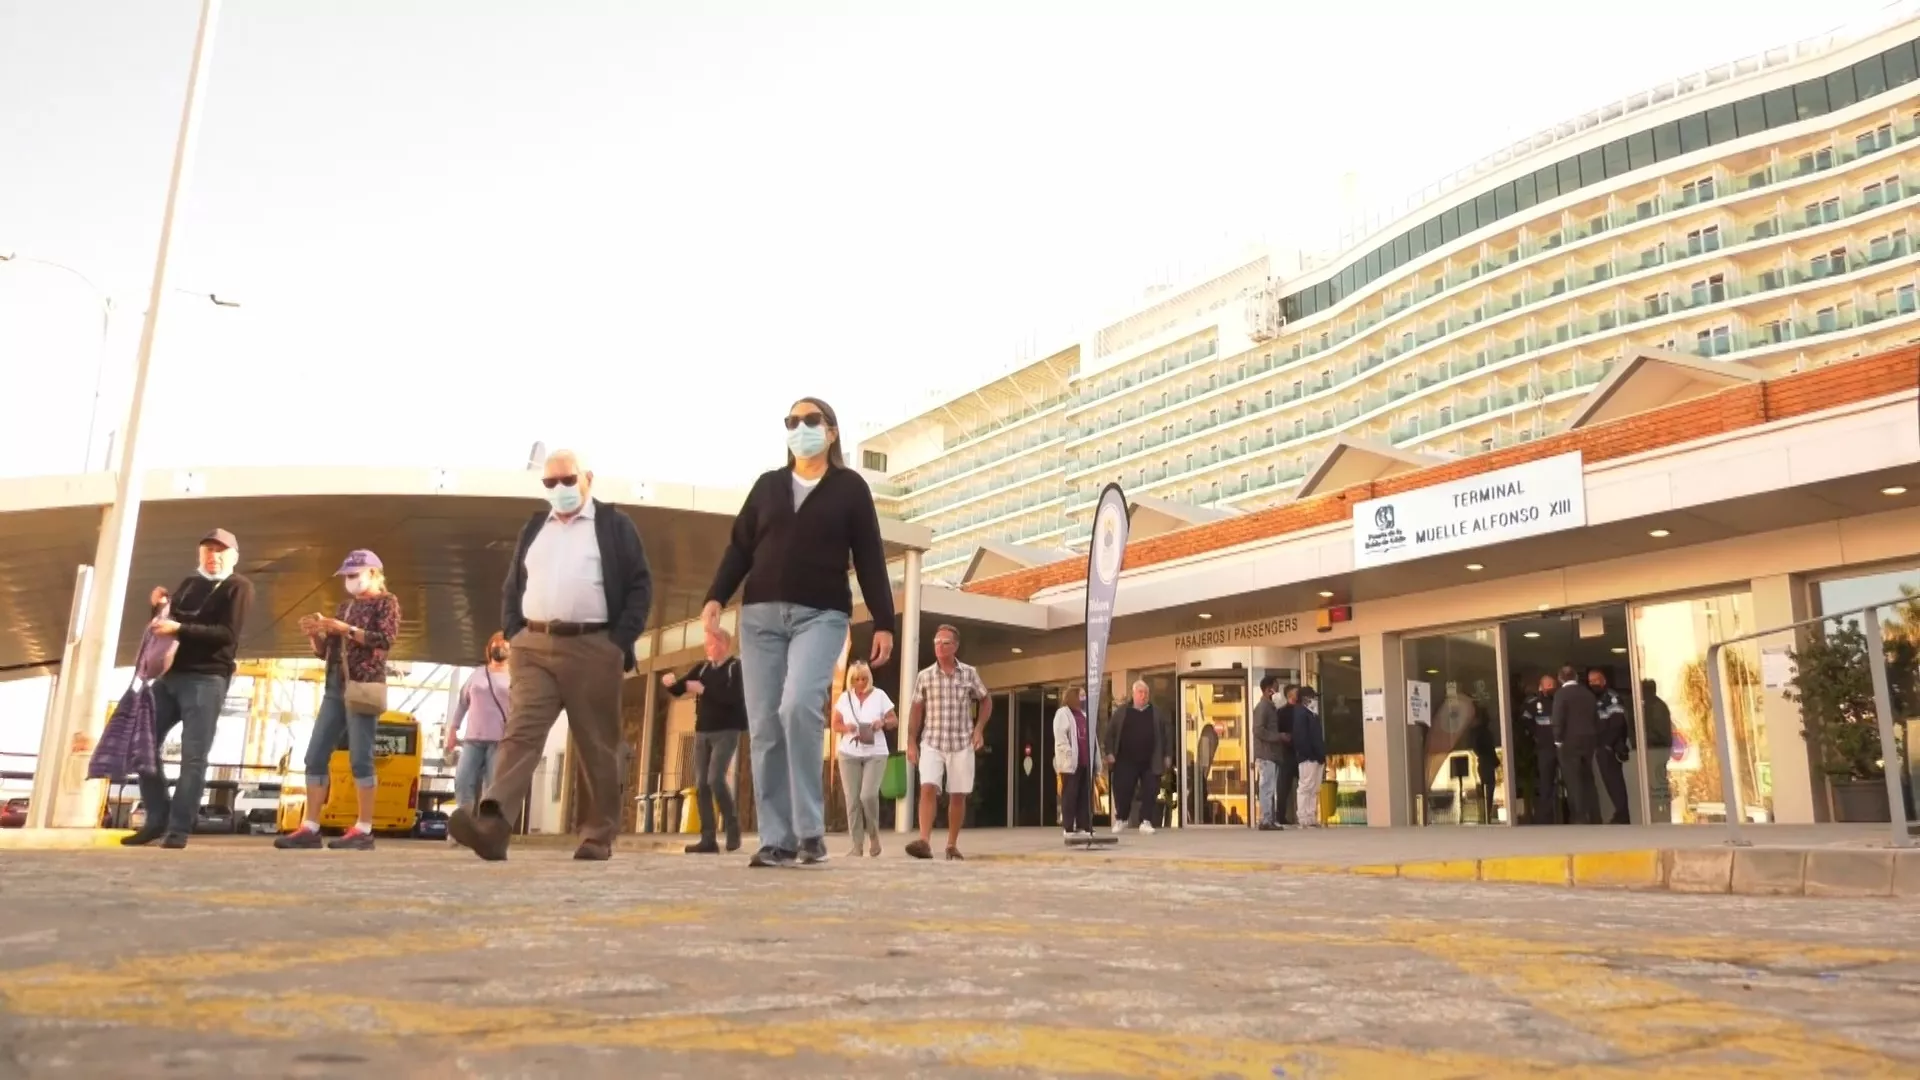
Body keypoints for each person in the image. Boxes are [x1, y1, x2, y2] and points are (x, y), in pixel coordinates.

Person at [701, 397, 895, 869]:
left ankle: (810, 830)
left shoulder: (850, 488)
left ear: (831, 433)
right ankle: (777, 839)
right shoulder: (768, 486)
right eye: (792, 421)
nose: (800, 428)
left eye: (811, 421)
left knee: (798, 706)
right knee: (765, 725)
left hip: (821, 615)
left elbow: (869, 555)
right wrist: (713, 599)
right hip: (760, 617)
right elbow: (739, 548)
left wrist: (885, 619)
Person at [450, 448, 653, 863]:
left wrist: (618, 641)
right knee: (520, 733)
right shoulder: (534, 528)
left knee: (597, 743)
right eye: (550, 482)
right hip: (534, 647)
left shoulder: (614, 525)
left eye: (567, 480)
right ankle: (493, 825)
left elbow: (639, 585)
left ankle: (597, 834)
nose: (559, 489)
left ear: (587, 478)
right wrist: (515, 631)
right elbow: (514, 584)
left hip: (594, 646)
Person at [123, 528, 255, 849]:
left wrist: (180, 627)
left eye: (221, 551)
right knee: (140, 743)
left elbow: (227, 634)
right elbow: (165, 628)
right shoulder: (189, 583)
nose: (213, 556)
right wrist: (158, 609)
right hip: (170, 676)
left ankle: (179, 828)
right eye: (208, 550)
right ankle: (157, 818)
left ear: (233, 556)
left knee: (193, 756)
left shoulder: (239, 586)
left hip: (207, 678)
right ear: (200, 554)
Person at [278, 550, 402, 851]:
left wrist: (343, 629)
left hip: (363, 685)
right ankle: (310, 825)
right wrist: (316, 634)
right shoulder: (345, 607)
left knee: (361, 757)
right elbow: (327, 652)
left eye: (353, 575)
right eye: (347, 576)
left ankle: (364, 828)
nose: (349, 581)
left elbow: (384, 640)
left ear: (373, 573)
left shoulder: (388, 603)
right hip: (335, 685)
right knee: (315, 755)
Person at [905, 624, 991, 860]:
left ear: (955, 647)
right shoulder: (925, 676)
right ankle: (924, 841)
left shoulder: (969, 673)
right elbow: (916, 709)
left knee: (958, 794)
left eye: (945, 642)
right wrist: (911, 741)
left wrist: (979, 729)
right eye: (936, 642)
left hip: (961, 741)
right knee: (928, 786)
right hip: (932, 739)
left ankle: (951, 845)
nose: (939, 646)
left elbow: (986, 700)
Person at [663, 628, 748, 854]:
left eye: (711, 644)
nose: (708, 648)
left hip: (727, 731)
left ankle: (732, 829)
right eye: (707, 644)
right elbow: (682, 687)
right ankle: (708, 838)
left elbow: (734, 698)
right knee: (701, 784)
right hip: (703, 732)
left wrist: (704, 690)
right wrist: (671, 683)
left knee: (715, 779)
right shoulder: (702, 668)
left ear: (723, 644)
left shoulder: (735, 668)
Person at [831, 659, 896, 858]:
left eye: (864, 678)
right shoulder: (844, 697)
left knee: (867, 795)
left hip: (875, 752)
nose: (860, 682)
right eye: (856, 678)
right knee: (852, 800)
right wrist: (846, 728)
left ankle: (874, 837)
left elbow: (894, 720)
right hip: (849, 753)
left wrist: (882, 722)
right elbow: (835, 724)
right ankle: (856, 845)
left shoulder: (879, 695)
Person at [446, 632, 511, 817]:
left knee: (493, 787)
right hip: (472, 739)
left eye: (504, 643)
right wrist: (453, 729)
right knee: (462, 780)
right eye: (496, 643)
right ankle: (464, 822)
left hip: (500, 741)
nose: (500, 646)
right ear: (489, 648)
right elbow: (462, 702)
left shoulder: (515, 676)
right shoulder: (478, 674)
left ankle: (487, 827)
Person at [1101, 680, 1169, 835]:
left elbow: (1166, 735)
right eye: (1140, 692)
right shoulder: (1122, 712)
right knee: (1123, 790)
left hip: (1150, 760)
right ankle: (1122, 819)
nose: (1143, 696)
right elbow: (1110, 733)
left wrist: (1167, 755)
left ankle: (1146, 821)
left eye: (1145, 693)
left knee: (1150, 791)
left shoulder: (1156, 713)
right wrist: (1109, 752)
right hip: (1126, 760)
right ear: (1133, 694)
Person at [1551, 664, 1603, 826]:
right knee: (1588, 778)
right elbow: (1596, 718)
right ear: (1576, 677)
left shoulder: (1561, 694)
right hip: (1588, 740)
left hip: (1569, 741)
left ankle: (1579, 817)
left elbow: (1558, 718)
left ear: (1560, 679)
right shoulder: (1588, 694)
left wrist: (1558, 740)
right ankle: (1595, 816)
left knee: (1573, 780)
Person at [1588, 667, 1632, 825]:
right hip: (1601, 746)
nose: (1593, 684)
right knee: (1609, 782)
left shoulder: (1611, 697)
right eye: (1591, 682)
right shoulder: (1595, 699)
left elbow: (1617, 722)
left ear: (1604, 680)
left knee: (1615, 782)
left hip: (1610, 747)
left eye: (1596, 680)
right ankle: (1619, 812)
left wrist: (1607, 744)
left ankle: (1623, 814)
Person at [1051, 686, 1092, 839]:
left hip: (1084, 760)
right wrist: (1067, 753)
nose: (1083, 698)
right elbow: (1060, 736)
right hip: (1070, 762)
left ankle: (1083, 826)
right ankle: (1068, 827)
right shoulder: (1063, 713)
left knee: (1084, 795)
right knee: (1070, 794)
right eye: (1081, 695)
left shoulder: (1084, 715)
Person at [1521, 673, 1561, 825]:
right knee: (1546, 784)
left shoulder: (1560, 700)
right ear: (1541, 687)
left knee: (1572, 782)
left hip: (1562, 747)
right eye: (1547, 686)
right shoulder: (1533, 703)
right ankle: (1545, 819)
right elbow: (1525, 720)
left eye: (1552, 685)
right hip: (1545, 748)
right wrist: (1536, 733)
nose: (1550, 689)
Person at [1251, 675, 1288, 831]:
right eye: (1276, 688)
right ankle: (1266, 820)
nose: (1278, 692)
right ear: (1268, 690)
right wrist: (1278, 737)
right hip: (1266, 754)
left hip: (1271, 754)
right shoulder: (1263, 707)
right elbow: (1258, 730)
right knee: (1266, 787)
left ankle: (1269, 819)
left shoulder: (1270, 707)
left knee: (1269, 788)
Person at [1639, 678, 1675, 824]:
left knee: (1657, 781)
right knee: (1657, 780)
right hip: (1658, 749)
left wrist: (1645, 741)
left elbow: (1658, 731)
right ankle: (1659, 812)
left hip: (1656, 749)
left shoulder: (1655, 707)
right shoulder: (1655, 705)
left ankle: (1660, 813)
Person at [1293, 686, 1328, 828]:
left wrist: (1320, 755)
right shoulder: (1301, 714)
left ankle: (1311, 816)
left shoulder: (1312, 714)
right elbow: (1301, 737)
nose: (1315, 700)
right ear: (1306, 699)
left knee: (1314, 788)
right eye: (1313, 697)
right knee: (1305, 787)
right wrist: (1309, 754)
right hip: (1308, 757)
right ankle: (1303, 817)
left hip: (1316, 757)